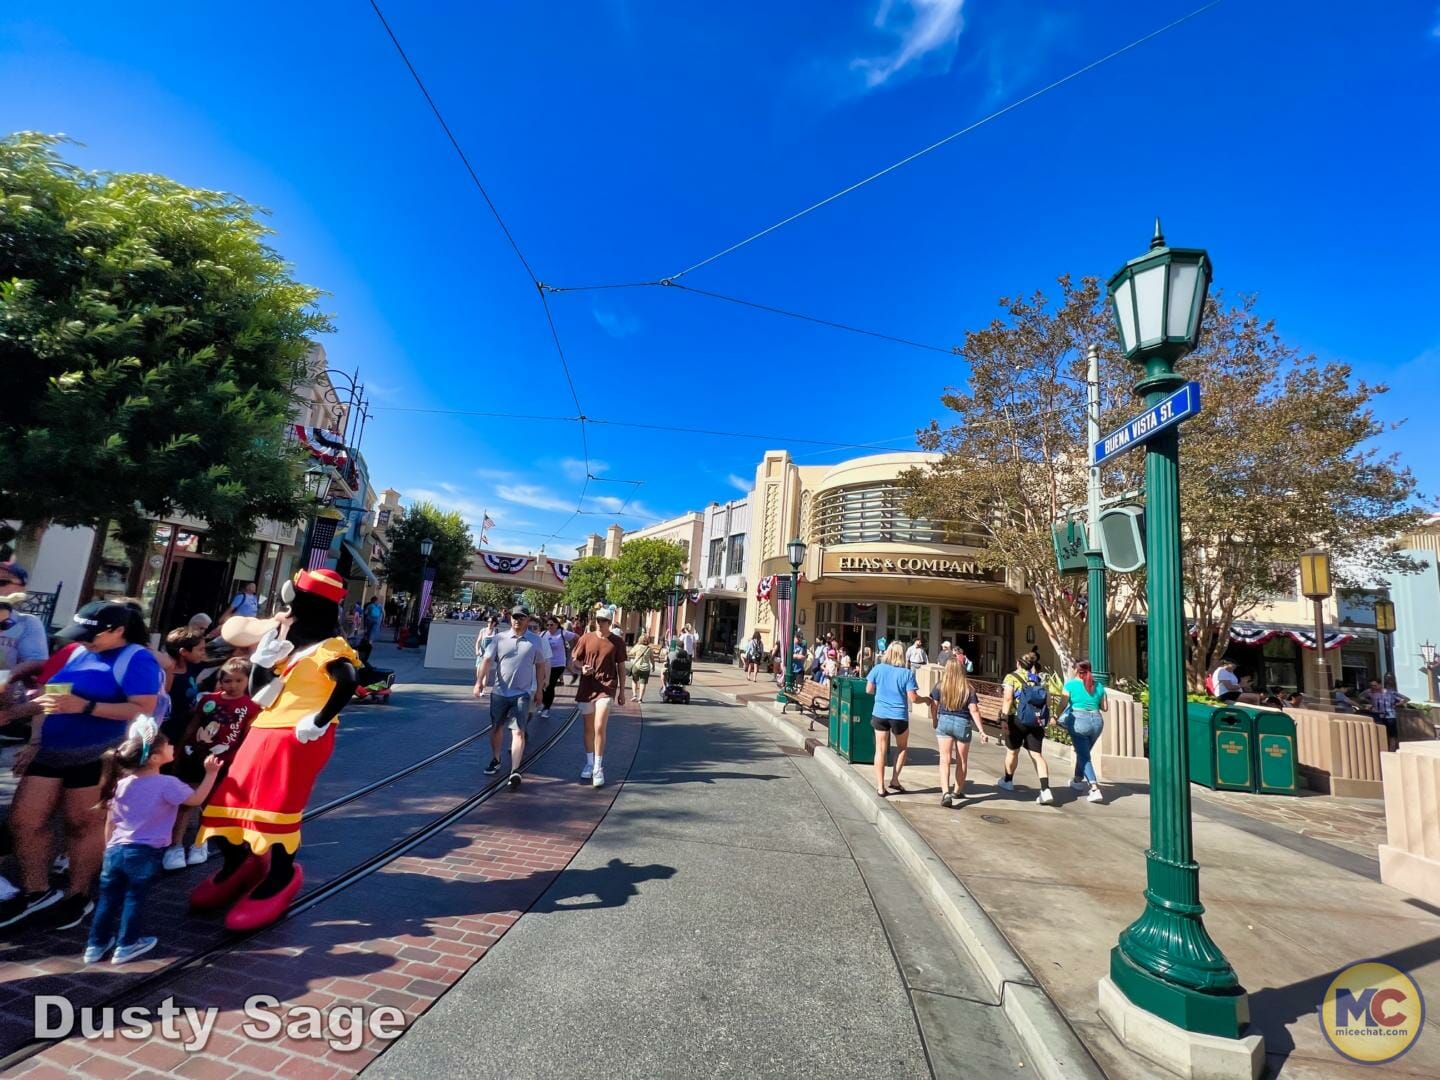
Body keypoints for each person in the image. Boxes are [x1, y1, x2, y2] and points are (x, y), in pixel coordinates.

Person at [0, 602, 163, 931]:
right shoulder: (77, 651)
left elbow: (143, 708)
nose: (85, 640)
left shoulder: (137, 657)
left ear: (118, 631)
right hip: (51, 749)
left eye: (93, 634)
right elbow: (52, 696)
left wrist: (86, 706)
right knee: (25, 820)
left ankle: (77, 894)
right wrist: (17, 715)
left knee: (81, 824)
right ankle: (37, 891)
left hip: (98, 753)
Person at [83, 718, 223, 964]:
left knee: (108, 899)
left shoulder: (121, 784)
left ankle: (95, 945)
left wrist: (107, 849)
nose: (172, 747)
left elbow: (111, 822)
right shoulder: (167, 784)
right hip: (144, 853)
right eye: (168, 745)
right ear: (155, 758)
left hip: (115, 851)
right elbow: (196, 799)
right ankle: (127, 945)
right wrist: (211, 773)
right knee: (134, 898)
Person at [166, 657, 257, 870]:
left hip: (223, 762)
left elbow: (246, 738)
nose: (232, 685)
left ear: (247, 681)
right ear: (220, 681)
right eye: (227, 681)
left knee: (211, 804)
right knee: (187, 801)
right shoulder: (209, 700)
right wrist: (179, 753)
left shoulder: (251, 707)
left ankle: (201, 842)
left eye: (238, 681)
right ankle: (175, 845)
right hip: (195, 756)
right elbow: (193, 726)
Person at [476, 606, 549, 789]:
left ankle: (515, 770)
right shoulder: (499, 639)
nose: (517, 620)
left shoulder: (535, 641)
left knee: (518, 731)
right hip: (500, 693)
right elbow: (486, 661)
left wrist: (540, 690)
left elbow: (540, 666)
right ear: (510, 619)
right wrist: (479, 682)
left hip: (522, 694)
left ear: (527, 619)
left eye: (521, 617)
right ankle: (496, 759)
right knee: (496, 728)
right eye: (515, 617)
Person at [570, 605, 627, 788]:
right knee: (588, 727)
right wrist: (581, 668)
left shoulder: (617, 642)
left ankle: (598, 767)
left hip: (607, 686)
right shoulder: (586, 638)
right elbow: (574, 662)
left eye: (603, 621)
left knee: (599, 725)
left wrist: (622, 691)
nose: (600, 623)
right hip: (587, 687)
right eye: (598, 620)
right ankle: (588, 762)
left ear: (609, 623)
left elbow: (621, 668)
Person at [928, 653, 988, 807]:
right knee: (961, 760)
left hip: (945, 721)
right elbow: (974, 710)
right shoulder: (968, 688)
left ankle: (945, 793)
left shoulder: (940, 686)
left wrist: (935, 720)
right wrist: (981, 730)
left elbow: (933, 705)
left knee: (945, 759)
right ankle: (957, 790)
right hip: (963, 723)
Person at [999, 651, 1054, 804]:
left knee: (1012, 751)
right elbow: (1047, 701)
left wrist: (1003, 718)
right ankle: (1045, 789)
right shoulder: (1039, 679)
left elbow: (1008, 698)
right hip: (1036, 721)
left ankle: (1008, 781)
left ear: (1018, 663)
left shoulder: (1011, 677)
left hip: (1016, 720)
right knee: (1037, 755)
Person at [866, 642, 918, 798]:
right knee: (902, 747)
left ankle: (880, 787)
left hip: (880, 713)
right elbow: (913, 698)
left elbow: (868, 690)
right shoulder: (907, 673)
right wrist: (926, 701)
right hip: (898, 716)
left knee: (880, 750)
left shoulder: (878, 669)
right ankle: (895, 780)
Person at [1063, 660, 1107, 804]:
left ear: (1076, 669)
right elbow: (1104, 707)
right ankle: (1077, 779)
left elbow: (1063, 703)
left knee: (1083, 755)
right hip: (1097, 721)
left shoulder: (1070, 684)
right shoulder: (1099, 685)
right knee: (1083, 752)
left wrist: (1054, 716)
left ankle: (1094, 788)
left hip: (1079, 720)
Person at [1363, 676, 1407, 752]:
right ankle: (1380, 748)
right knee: (1378, 731)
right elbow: (1361, 696)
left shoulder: (1390, 693)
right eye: (1371, 685)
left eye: (1375, 685)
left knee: (1391, 733)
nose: (1373, 687)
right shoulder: (1370, 692)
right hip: (1376, 714)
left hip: (1389, 715)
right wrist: (1370, 703)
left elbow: (1405, 699)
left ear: (1380, 685)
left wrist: (1397, 704)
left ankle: (1391, 750)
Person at [539, 616, 569, 719]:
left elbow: (577, 638)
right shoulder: (543, 634)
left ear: (557, 624)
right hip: (544, 664)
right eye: (547, 625)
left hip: (558, 664)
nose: (549, 627)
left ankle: (546, 708)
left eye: (552, 625)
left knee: (550, 685)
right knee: (542, 684)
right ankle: (544, 704)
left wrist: (575, 652)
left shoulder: (562, 633)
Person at [628, 634, 658, 702]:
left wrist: (635, 655)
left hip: (636, 666)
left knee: (634, 680)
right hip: (646, 668)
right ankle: (640, 698)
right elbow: (652, 659)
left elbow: (630, 653)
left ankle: (634, 695)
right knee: (643, 683)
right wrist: (653, 666)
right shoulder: (649, 649)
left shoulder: (637, 646)